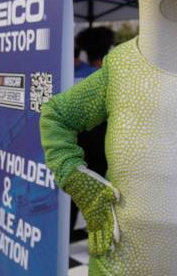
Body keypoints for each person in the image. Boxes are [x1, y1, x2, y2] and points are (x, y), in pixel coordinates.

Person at [70, 27, 115, 241]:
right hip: (102, 142)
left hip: (77, 140)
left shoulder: (73, 75)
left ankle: (67, 233)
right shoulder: (110, 75)